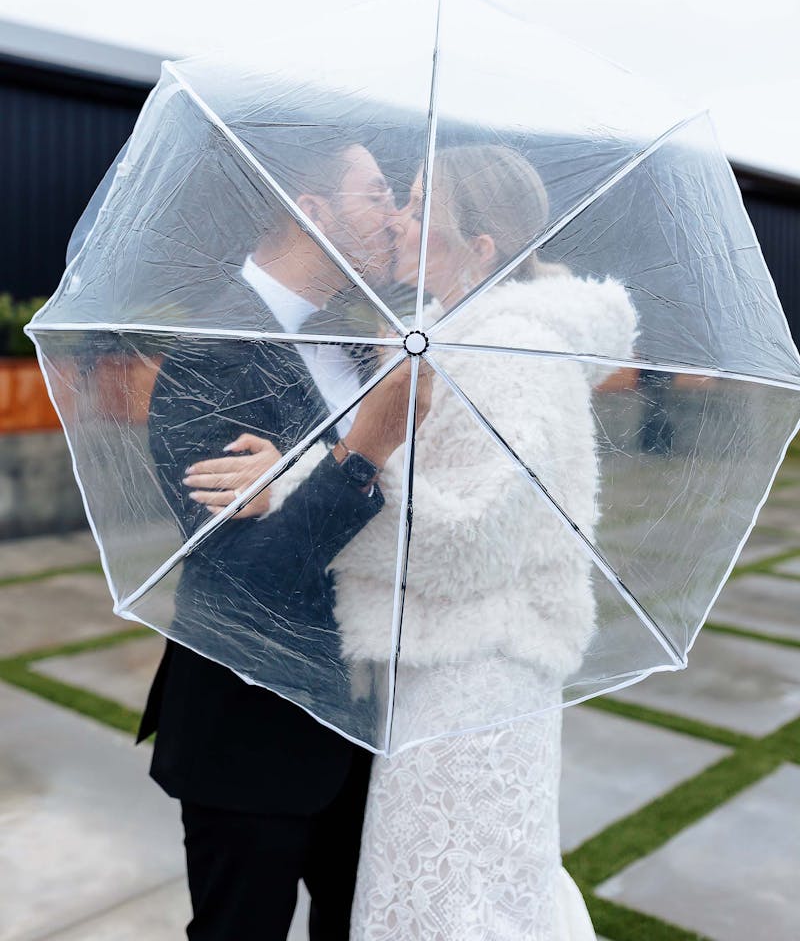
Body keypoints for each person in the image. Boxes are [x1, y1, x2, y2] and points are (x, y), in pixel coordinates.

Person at [197, 143, 637, 940]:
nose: (398, 215)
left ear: (479, 248)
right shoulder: (431, 338)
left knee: (455, 905)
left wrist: (298, 480)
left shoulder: (519, 353)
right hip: (417, 673)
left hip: (475, 678)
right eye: (388, 196)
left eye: (417, 203)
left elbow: (472, 540)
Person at [138, 127, 431, 941]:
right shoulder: (211, 355)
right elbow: (249, 575)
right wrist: (367, 445)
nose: (394, 213)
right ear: (311, 208)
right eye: (375, 193)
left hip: (366, 721)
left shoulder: (362, 334)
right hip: (253, 728)